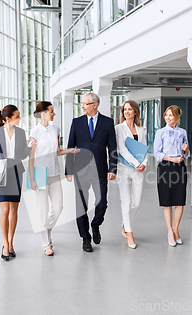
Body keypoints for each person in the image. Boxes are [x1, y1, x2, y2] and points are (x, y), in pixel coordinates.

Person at [65, 92, 118, 252]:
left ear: (94, 105)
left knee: (102, 203)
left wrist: (113, 168)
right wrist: (68, 170)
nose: (82, 106)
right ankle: (85, 238)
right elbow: (70, 147)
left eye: (85, 104)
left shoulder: (107, 123)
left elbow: (113, 148)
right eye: (82, 103)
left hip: (100, 170)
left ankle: (95, 225)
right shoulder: (77, 122)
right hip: (80, 171)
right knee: (81, 205)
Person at [0, 105, 36, 261]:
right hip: (0, 173)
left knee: (14, 210)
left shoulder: (20, 133)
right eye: (17, 116)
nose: (20, 118)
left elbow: (21, 155)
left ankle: (11, 243)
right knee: (5, 210)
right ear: (8, 118)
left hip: (15, 172)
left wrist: (29, 146)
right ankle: (5, 245)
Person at [28, 101, 79, 256]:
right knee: (42, 209)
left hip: (55, 172)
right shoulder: (34, 132)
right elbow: (31, 158)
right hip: (40, 173)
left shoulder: (55, 129)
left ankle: (45, 228)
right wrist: (32, 179)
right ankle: (46, 244)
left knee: (58, 207)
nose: (54, 114)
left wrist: (69, 151)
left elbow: (57, 151)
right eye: (51, 111)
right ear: (43, 113)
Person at [154, 105, 190, 247]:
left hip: (180, 167)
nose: (168, 118)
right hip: (165, 168)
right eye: (166, 115)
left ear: (177, 117)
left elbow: (187, 154)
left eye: (171, 115)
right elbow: (157, 154)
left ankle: (176, 229)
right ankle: (170, 231)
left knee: (180, 200)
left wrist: (186, 150)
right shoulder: (160, 132)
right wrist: (171, 159)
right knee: (167, 201)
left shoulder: (183, 132)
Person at [115, 100, 147, 249]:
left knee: (137, 202)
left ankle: (124, 223)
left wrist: (144, 164)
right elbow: (121, 149)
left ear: (135, 111)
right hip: (123, 168)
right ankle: (129, 232)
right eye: (124, 110)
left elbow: (144, 149)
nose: (127, 112)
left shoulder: (141, 129)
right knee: (126, 201)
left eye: (129, 109)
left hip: (138, 170)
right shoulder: (119, 129)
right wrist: (136, 163)